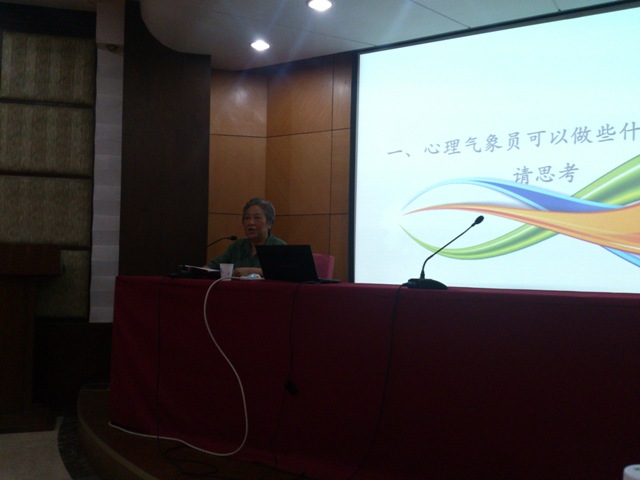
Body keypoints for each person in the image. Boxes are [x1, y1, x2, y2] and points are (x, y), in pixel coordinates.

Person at [207, 198, 286, 277]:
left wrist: (253, 271)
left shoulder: (279, 247)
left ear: (269, 224)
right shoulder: (237, 247)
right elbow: (210, 268)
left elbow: (286, 273)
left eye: (257, 218)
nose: (251, 222)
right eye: (247, 218)